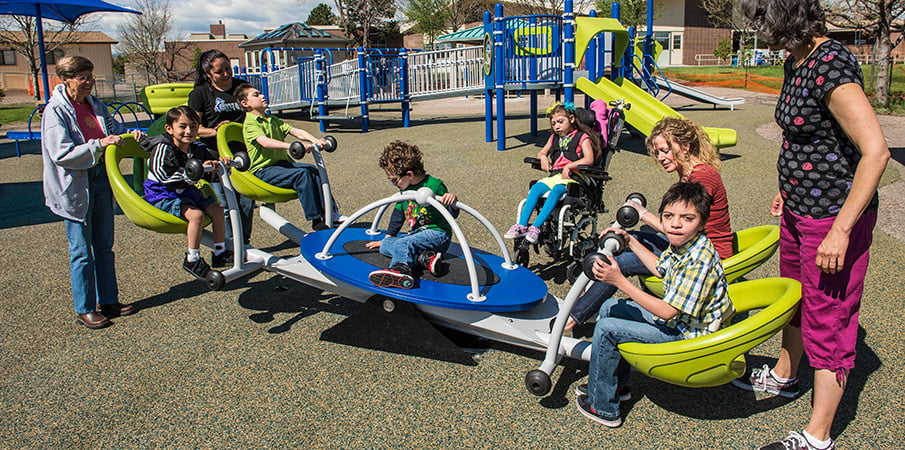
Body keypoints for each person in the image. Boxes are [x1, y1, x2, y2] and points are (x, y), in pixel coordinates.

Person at [735, 1, 890, 449]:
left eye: (764, 21)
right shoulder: (795, 60)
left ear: (787, 16)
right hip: (800, 209)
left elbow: (875, 152)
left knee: (830, 319)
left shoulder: (830, 64)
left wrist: (841, 230)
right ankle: (786, 373)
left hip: (833, 219)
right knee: (796, 298)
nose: (759, 31)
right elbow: (805, 134)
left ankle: (817, 436)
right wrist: (788, 184)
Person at [576, 182, 733, 428]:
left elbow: (667, 311)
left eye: (687, 218)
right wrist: (631, 241)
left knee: (606, 328)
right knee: (610, 307)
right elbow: (661, 270)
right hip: (681, 323)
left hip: (688, 335)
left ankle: (603, 407)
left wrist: (619, 280)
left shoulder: (699, 260)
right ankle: (617, 385)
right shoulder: (686, 245)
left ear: (702, 223)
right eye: (669, 216)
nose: (676, 224)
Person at [566, 116, 732, 330]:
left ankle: (573, 318)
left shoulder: (702, 179)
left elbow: (674, 229)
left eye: (665, 150)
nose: (661, 157)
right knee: (631, 238)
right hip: (688, 244)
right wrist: (633, 223)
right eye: (658, 152)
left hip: (705, 254)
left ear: (685, 147)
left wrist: (642, 212)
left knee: (622, 261)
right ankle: (591, 303)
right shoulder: (690, 174)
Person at [41, 56, 145, 329]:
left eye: (90, 76)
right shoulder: (56, 112)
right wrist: (98, 145)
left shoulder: (95, 105)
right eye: (82, 77)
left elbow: (113, 131)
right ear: (65, 79)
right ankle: (85, 308)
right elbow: (61, 153)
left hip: (100, 177)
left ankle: (109, 300)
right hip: (75, 183)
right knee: (80, 250)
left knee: (104, 246)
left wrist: (128, 135)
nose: (89, 82)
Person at [142, 106, 233, 280]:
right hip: (163, 193)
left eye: (193, 126)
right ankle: (192, 259)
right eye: (182, 126)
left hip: (186, 191)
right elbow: (163, 175)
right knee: (196, 215)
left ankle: (220, 253)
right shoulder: (163, 148)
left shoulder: (197, 147)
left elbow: (210, 159)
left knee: (218, 210)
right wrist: (192, 175)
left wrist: (220, 162)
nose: (188, 131)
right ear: (169, 129)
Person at [235, 83, 339, 231]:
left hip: (281, 165)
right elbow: (264, 142)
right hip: (263, 171)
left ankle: (331, 214)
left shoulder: (271, 120)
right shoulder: (250, 123)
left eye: (261, 93)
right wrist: (291, 146)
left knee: (314, 170)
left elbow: (296, 131)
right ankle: (316, 220)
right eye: (256, 95)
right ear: (245, 103)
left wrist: (315, 141)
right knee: (302, 174)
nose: (262, 96)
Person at [365, 140, 458, 289]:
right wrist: (387, 238)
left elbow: (451, 215)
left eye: (394, 180)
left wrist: (451, 201)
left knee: (402, 244)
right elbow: (398, 215)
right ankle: (424, 258)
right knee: (385, 246)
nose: (394, 184)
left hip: (438, 235)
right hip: (417, 237)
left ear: (409, 174)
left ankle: (401, 270)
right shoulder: (405, 190)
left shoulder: (434, 185)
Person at [504, 102, 600, 244]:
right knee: (536, 188)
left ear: (572, 119)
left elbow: (589, 159)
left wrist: (570, 166)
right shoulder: (554, 138)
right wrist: (543, 157)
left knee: (556, 191)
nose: (556, 126)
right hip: (555, 176)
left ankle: (535, 228)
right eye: (554, 123)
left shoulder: (582, 137)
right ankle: (522, 226)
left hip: (573, 177)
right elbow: (542, 152)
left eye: (560, 122)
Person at [188, 49, 254, 245]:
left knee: (246, 202)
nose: (226, 74)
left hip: (241, 155)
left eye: (228, 69)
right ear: (208, 73)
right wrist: (215, 132)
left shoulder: (241, 87)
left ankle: (243, 243)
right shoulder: (200, 94)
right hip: (215, 157)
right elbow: (192, 128)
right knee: (225, 205)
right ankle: (226, 246)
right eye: (219, 71)